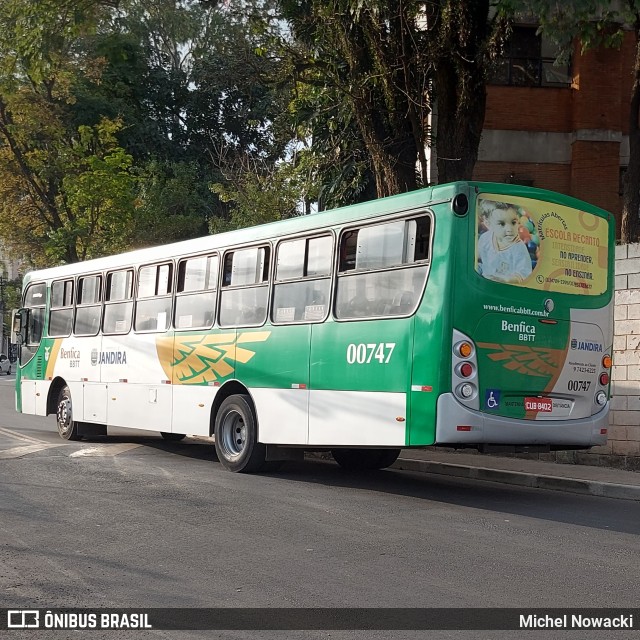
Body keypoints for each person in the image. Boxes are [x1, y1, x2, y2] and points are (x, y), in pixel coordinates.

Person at [477, 200, 532, 284]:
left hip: (504, 287)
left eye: (513, 222)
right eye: (502, 224)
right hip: (484, 282)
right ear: (488, 224)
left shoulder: (519, 248)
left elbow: (524, 274)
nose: (509, 229)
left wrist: (506, 280)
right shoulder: (485, 238)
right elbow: (477, 257)